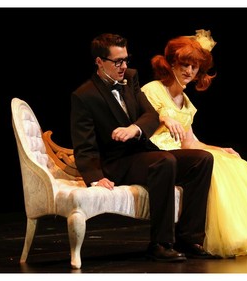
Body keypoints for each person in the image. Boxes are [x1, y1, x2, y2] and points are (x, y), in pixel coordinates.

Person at [141, 29, 247, 258]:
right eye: (185, 65)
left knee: (233, 163)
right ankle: (198, 237)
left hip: (184, 155)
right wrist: (163, 117)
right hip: (159, 155)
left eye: (195, 67)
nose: (190, 71)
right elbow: (143, 122)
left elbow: (190, 142)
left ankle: (245, 234)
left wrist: (220, 149)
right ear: (171, 63)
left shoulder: (187, 103)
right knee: (214, 166)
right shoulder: (153, 90)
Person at [70, 33, 216, 262]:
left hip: (140, 153)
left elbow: (150, 114)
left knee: (202, 159)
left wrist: (134, 129)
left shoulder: (130, 78)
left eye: (126, 59)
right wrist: (95, 177)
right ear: (99, 62)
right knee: (164, 161)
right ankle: (161, 243)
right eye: (117, 61)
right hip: (116, 162)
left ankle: (188, 237)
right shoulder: (84, 96)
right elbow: (83, 144)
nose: (123, 66)